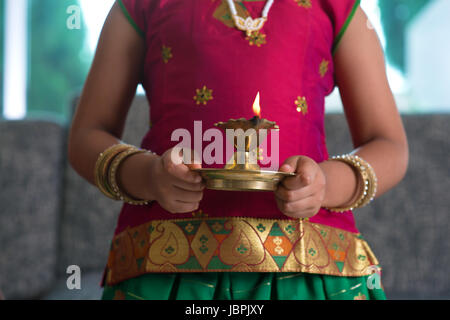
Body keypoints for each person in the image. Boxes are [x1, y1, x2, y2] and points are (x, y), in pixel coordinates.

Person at [68, 0, 408, 300]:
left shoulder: (337, 5)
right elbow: (87, 136)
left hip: (309, 267)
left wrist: (325, 185)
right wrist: (148, 176)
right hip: (166, 265)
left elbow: (389, 145)